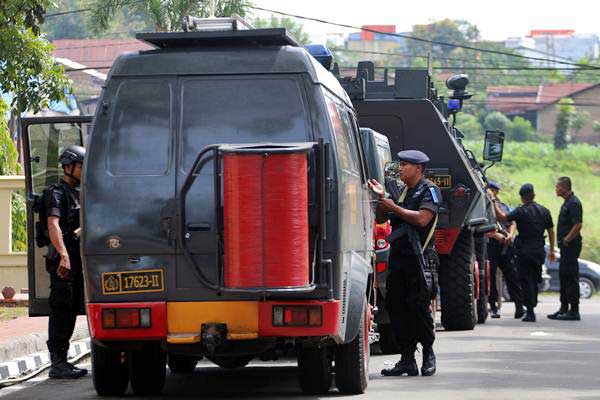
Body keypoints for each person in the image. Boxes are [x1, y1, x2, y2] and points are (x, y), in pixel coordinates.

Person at [368, 150, 441, 377]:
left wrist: (393, 206)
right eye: (400, 164)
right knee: (397, 308)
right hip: (399, 259)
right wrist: (382, 199)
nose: (400, 168)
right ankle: (407, 359)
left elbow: (422, 219)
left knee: (418, 308)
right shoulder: (403, 192)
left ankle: (428, 353)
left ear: (418, 168)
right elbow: (381, 219)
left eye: (405, 165)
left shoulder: (429, 190)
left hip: (420, 259)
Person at [43, 145, 87, 379]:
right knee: (61, 310)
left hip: (75, 259)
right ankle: (57, 363)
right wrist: (64, 255)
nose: (83, 169)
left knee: (70, 310)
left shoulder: (76, 192)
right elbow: (53, 223)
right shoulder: (56, 193)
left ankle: (63, 361)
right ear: (68, 167)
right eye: (81, 165)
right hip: (63, 261)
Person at [492, 183, 555, 323]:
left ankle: (531, 311)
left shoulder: (520, 211)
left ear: (522, 198)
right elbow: (551, 230)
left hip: (524, 251)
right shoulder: (544, 210)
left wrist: (493, 202)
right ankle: (532, 304)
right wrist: (551, 250)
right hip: (539, 250)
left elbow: (502, 217)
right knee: (535, 279)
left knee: (525, 280)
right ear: (534, 195)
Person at [485, 181, 524, 319]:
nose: (491, 192)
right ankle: (493, 307)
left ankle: (519, 306)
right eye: (489, 189)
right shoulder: (482, 206)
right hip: (490, 244)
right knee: (490, 276)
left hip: (505, 245)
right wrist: (496, 235)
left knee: (512, 275)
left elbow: (511, 221)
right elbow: (479, 228)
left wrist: (510, 235)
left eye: (493, 190)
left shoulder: (503, 206)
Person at [548, 176, 583, 321]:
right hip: (565, 247)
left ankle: (574, 310)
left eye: (558, 187)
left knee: (571, 277)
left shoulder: (574, 203)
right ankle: (563, 308)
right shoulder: (567, 203)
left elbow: (578, 224)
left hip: (571, 246)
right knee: (564, 276)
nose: (556, 189)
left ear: (564, 187)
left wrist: (567, 240)